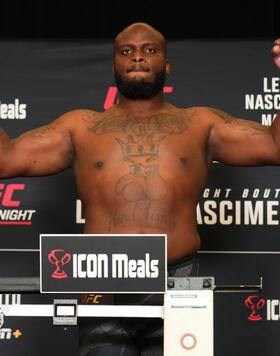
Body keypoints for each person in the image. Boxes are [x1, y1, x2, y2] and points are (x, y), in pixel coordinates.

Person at [0, 22, 280, 355]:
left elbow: (274, 147)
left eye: (149, 50)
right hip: (102, 278)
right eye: (126, 52)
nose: (137, 58)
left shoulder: (200, 124)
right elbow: (6, 159)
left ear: (166, 64)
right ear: (114, 65)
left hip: (179, 278)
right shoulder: (81, 127)